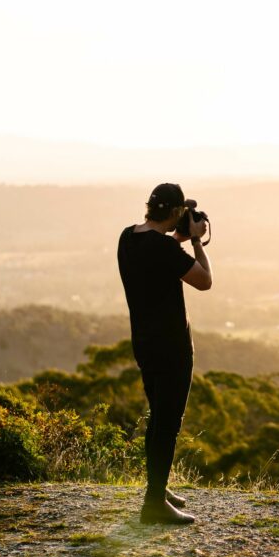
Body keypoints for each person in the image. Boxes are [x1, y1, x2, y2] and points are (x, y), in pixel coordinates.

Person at [117, 183, 212, 524]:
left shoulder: (128, 238)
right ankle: (154, 504)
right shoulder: (163, 248)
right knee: (168, 424)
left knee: (158, 418)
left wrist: (177, 240)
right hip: (172, 346)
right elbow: (204, 281)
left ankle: (157, 489)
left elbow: (157, 255)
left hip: (144, 343)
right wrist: (197, 241)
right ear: (174, 213)